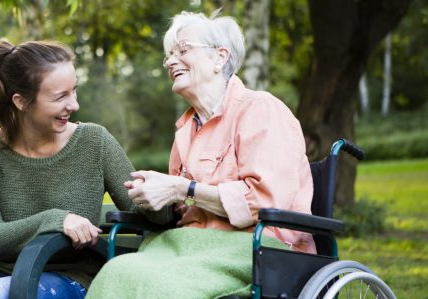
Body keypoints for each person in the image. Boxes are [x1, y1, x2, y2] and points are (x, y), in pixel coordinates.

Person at [0, 39, 170, 299]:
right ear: (21, 101)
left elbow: (143, 212)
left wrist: (161, 198)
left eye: (74, 91)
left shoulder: (95, 141)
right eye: (60, 97)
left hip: (71, 277)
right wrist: (57, 220)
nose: (74, 105)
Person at [86, 10, 314, 299]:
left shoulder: (261, 110)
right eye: (169, 54)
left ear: (219, 57)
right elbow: (181, 208)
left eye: (183, 50)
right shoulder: (185, 131)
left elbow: (264, 202)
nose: (170, 61)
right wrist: (157, 196)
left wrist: (183, 188)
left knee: (160, 285)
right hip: (187, 246)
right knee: (117, 272)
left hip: (258, 249)